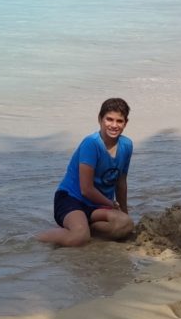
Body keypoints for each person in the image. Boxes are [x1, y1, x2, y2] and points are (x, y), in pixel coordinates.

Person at [36, 98, 135, 247]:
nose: (114, 125)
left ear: (125, 123)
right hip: (72, 199)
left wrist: (124, 213)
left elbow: (121, 183)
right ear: (100, 119)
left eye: (119, 121)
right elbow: (86, 189)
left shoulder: (126, 145)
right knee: (79, 238)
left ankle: (84, 228)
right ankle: (37, 238)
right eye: (109, 119)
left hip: (97, 206)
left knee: (125, 225)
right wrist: (111, 204)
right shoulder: (92, 144)